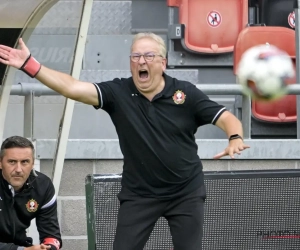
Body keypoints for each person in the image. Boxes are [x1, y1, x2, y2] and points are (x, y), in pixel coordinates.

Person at [0, 33, 249, 250]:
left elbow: (226, 118)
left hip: (185, 191)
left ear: (163, 63)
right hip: (140, 194)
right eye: (135, 56)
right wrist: (30, 65)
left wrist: (235, 137)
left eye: (149, 56)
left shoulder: (185, 93)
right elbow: (73, 88)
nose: (141, 61)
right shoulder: (118, 93)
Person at [0, 136, 62, 250]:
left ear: (32, 164)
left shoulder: (43, 186)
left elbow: (51, 234)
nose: (18, 169)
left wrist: (48, 247)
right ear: (0, 163)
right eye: (12, 162)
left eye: (24, 162)